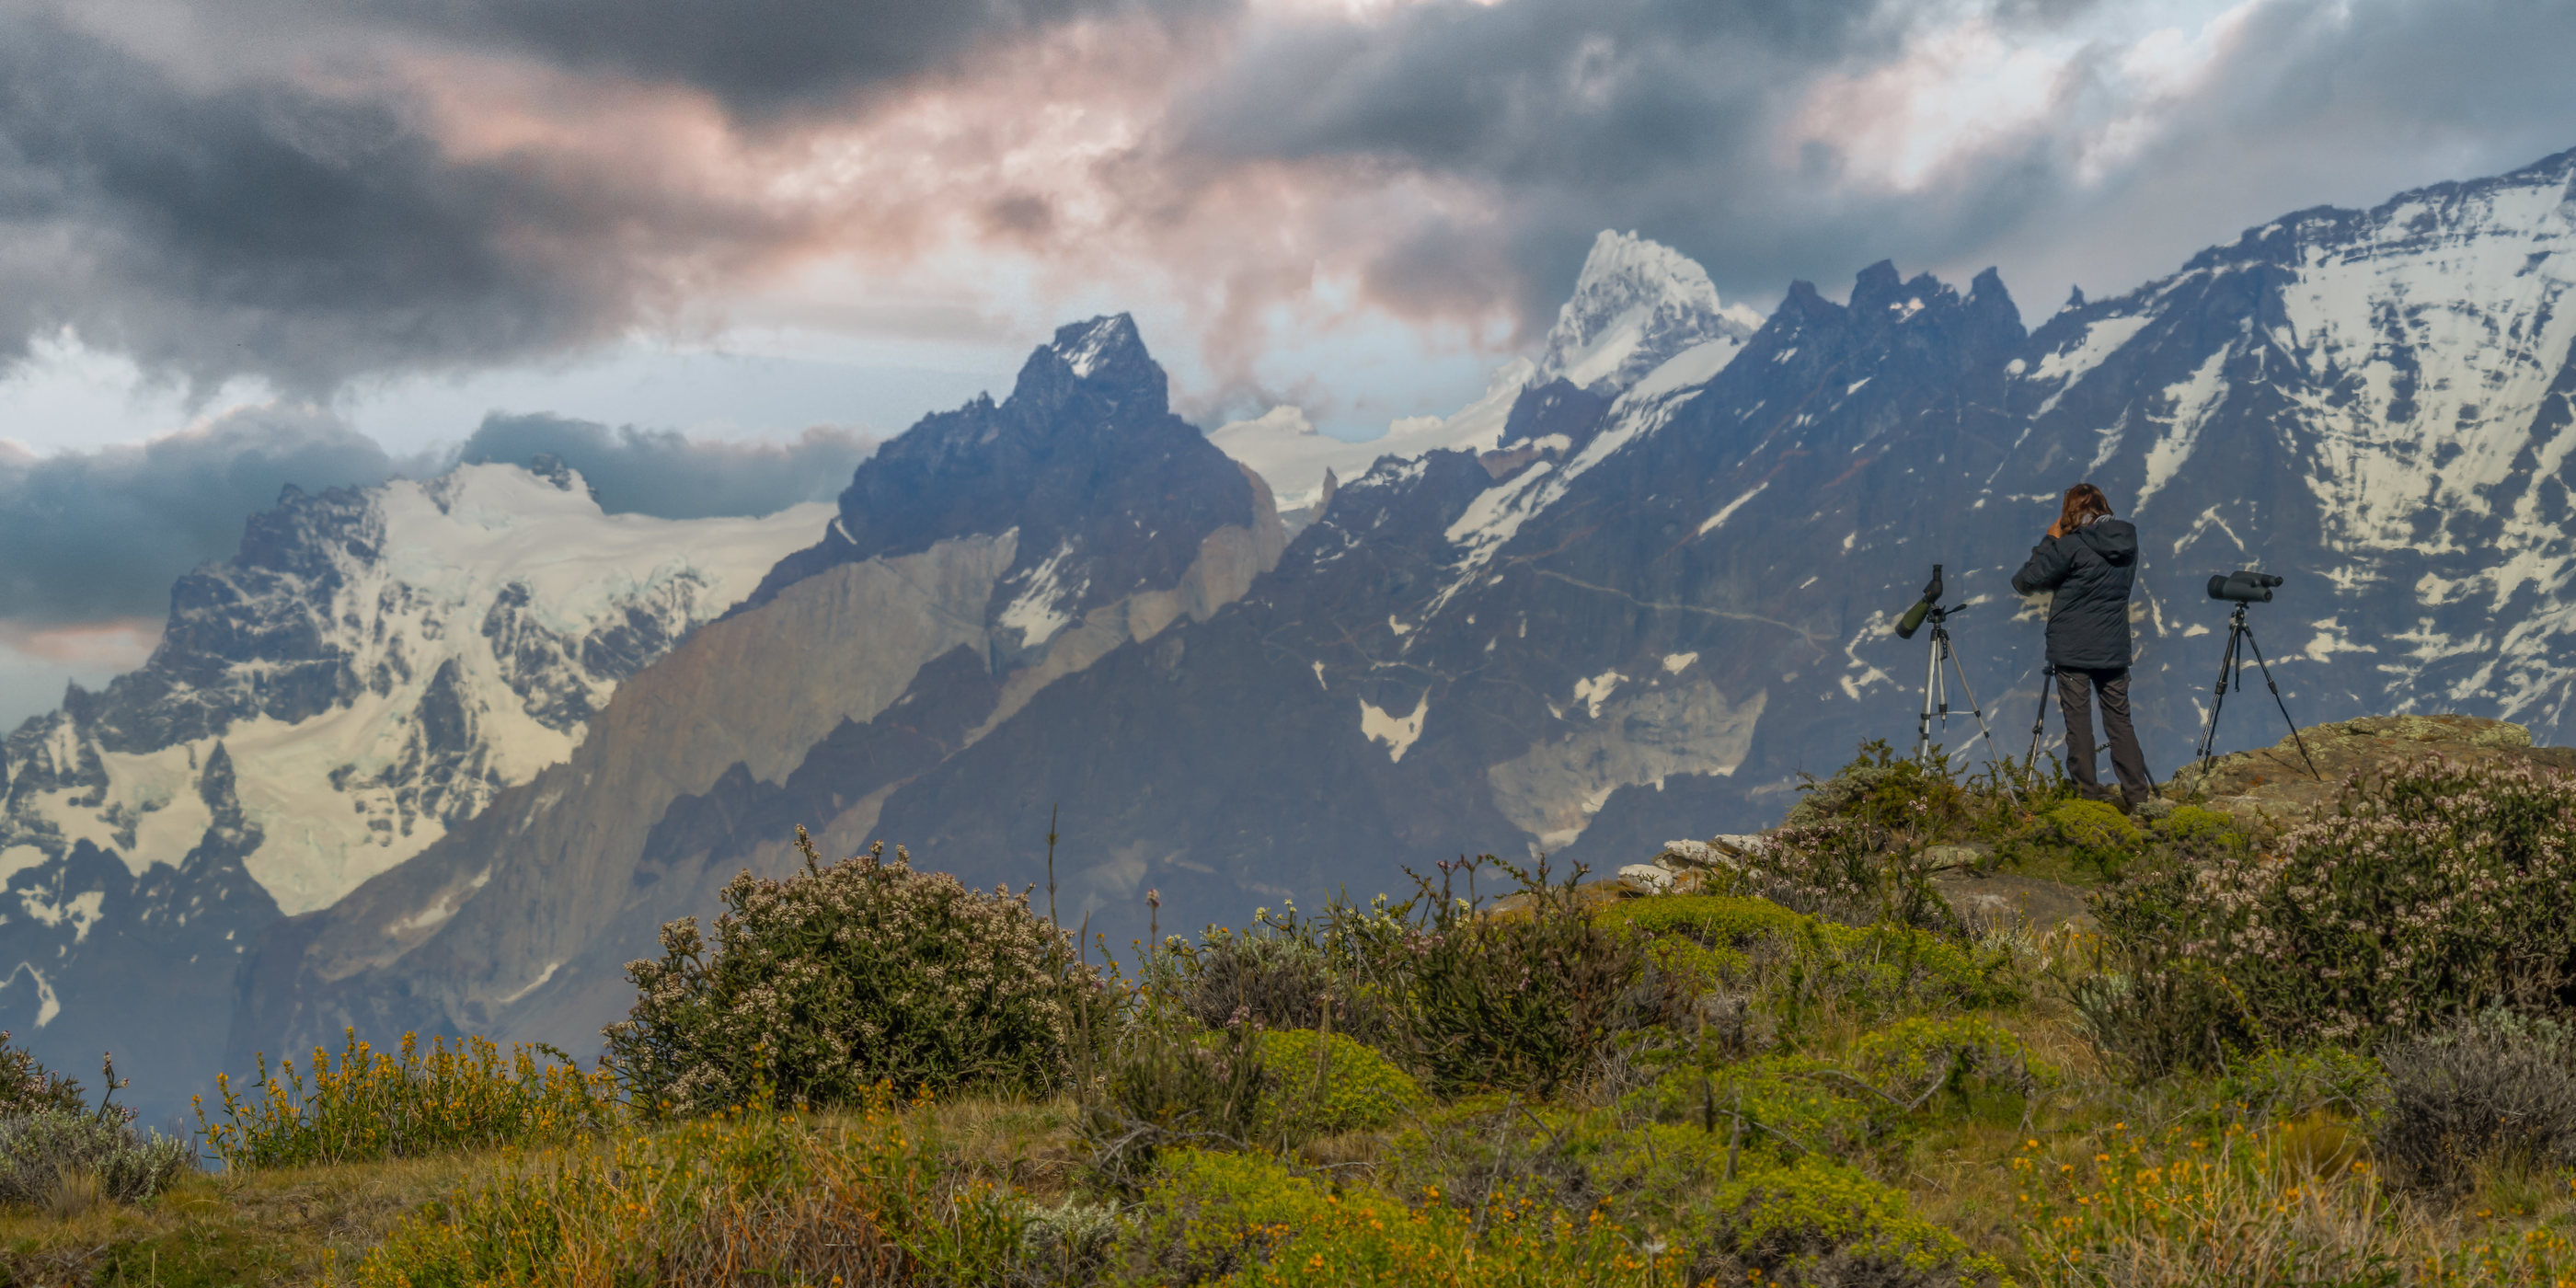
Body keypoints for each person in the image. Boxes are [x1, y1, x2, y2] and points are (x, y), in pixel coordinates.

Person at [2011, 482, 2153, 810]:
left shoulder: (2071, 545)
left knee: (2079, 723)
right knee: (2120, 721)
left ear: (2070, 512)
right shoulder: (2128, 543)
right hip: (2113, 646)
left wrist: (2050, 539)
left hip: (2072, 648)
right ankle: (2137, 797)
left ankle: (2086, 799)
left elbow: (2026, 581)